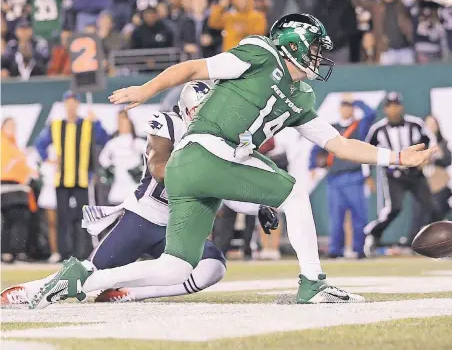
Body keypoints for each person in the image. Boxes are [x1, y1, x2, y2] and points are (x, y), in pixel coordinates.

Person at [30, 13, 437, 309]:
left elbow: (337, 144)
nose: (318, 56)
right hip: (207, 151)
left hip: (192, 169)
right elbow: (193, 68)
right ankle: (313, 284)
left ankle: (84, 278)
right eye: (313, 48)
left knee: (175, 267)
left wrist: (395, 156)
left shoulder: (302, 97)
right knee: (294, 194)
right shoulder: (262, 54)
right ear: (292, 44)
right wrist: (148, 89)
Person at [2, 82, 278, 306]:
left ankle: (129, 293)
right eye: (200, 110)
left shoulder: (220, 140)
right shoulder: (168, 123)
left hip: (178, 228)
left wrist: (258, 206)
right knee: (90, 273)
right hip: (143, 218)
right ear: (186, 111)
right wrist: (206, 173)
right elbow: (158, 166)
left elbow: (227, 190)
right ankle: (28, 291)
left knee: (213, 267)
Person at [34, 91, 109, 261]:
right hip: (62, 180)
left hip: (82, 180)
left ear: (78, 104)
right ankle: (63, 252)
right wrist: (49, 159)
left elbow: (104, 139)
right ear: (64, 105)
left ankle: (83, 252)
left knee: (83, 218)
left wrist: (97, 121)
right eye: (68, 103)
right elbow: (40, 144)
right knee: (63, 218)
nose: (71, 106)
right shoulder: (56, 126)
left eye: (74, 102)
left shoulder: (88, 125)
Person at [364, 92, 439, 256]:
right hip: (393, 174)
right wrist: (367, 176)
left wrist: (426, 158)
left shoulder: (415, 123)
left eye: (396, 105)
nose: (394, 109)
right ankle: (373, 235)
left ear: (401, 106)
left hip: (415, 173)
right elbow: (365, 151)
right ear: (385, 109)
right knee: (394, 208)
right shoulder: (378, 129)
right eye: (390, 106)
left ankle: (436, 243)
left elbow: (431, 140)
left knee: (431, 207)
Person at [309, 98, 376, 259]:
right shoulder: (332, 128)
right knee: (336, 218)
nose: (347, 110)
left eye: (349, 107)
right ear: (339, 109)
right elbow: (316, 147)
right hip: (335, 179)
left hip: (354, 176)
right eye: (344, 107)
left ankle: (359, 249)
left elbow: (371, 114)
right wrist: (312, 166)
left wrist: (358, 102)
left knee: (359, 217)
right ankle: (335, 250)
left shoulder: (359, 126)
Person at [1, 118, 37, 263]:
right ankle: (14, 252)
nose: (12, 128)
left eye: (14, 125)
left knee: (16, 220)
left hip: (19, 188)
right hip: (8, 186)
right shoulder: (4, 144)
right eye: (9, 125)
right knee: (15, 219)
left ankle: (11, 252)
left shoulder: (14, 145)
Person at [98, 110, 146, 206]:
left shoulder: (138, 142)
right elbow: (102, 158)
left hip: (134, 185)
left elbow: (151, 156)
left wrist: (142, 168)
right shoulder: (113, 143)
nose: (123, 125)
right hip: (118, 184)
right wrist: (110, 167)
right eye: (120, 123)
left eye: (125, 122)